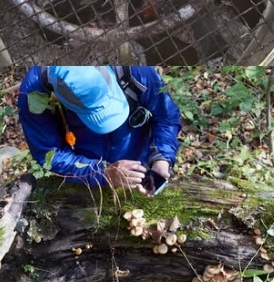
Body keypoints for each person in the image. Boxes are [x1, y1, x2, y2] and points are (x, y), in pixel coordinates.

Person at [18, 66, 181, 191]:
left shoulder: (135, 70)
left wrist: (162, 158)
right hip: (85, 180)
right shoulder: (34, 95)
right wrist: (102, 174)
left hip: (140, 166)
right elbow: (48, 153)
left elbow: (166, 116)